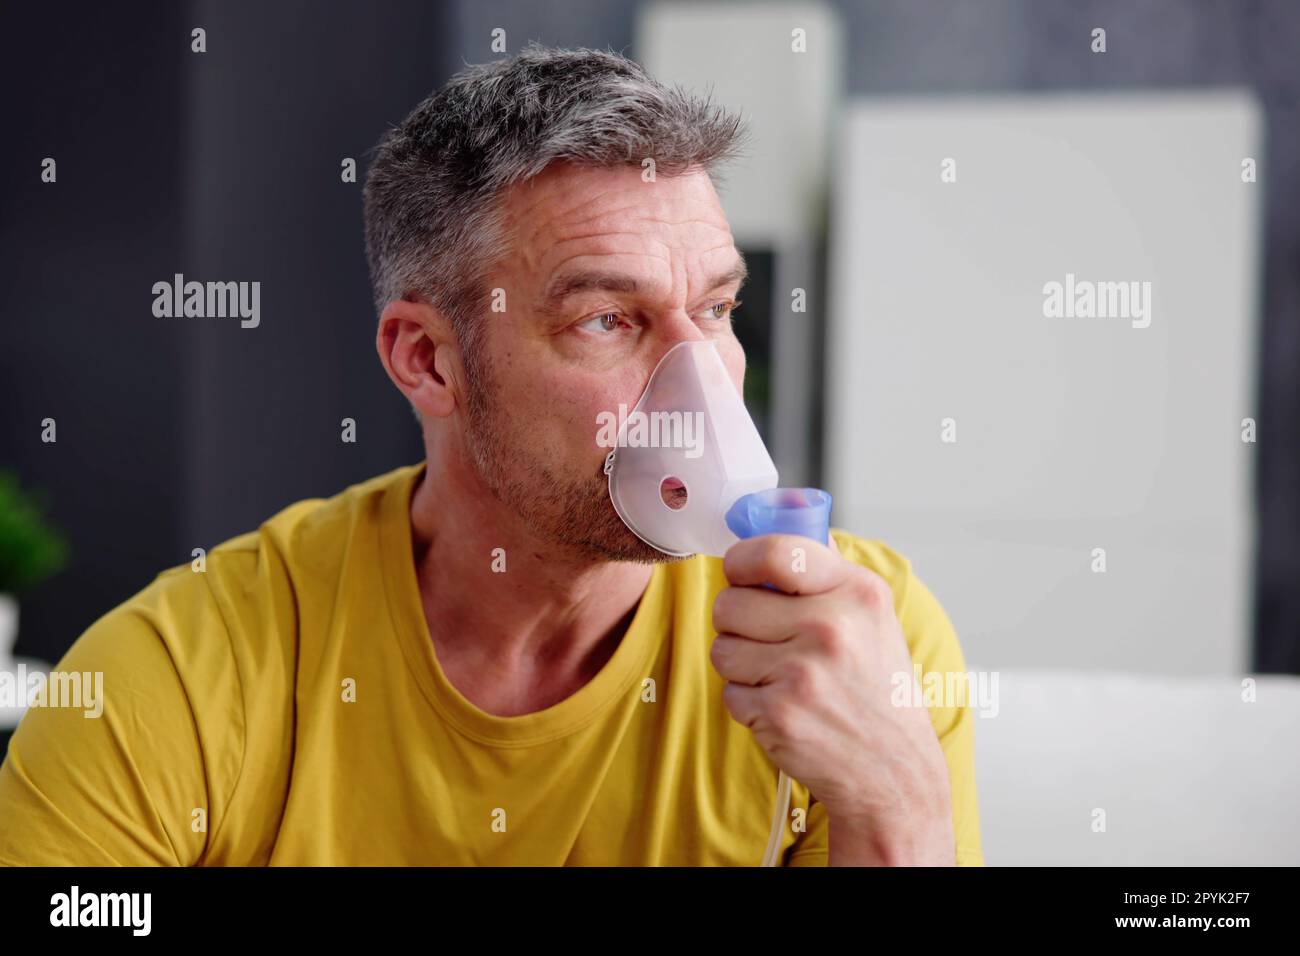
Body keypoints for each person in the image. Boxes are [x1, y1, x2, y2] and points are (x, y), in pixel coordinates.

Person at [0, 44, 983, 866]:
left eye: (717, 309)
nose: (707, 383)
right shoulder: (176, 677)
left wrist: (894, 808)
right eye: (608, 318)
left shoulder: (858, 640)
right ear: (427, 359)